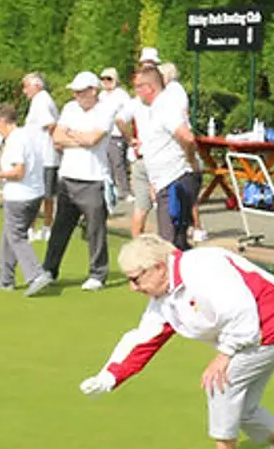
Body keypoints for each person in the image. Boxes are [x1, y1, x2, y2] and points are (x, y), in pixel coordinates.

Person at [77, 234, 274, 449]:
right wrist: (110, 375)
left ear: (158, 267)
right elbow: (145, 338)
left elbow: (241, 311)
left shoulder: (202, 268)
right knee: (242, 405)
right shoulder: (164, 295)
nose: (132, 287)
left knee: (222, 383)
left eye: (135, 279)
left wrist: (224, 355)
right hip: (254, 330)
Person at [41, 71, 117, 290]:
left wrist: (71, 135)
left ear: (94, 91)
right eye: (75, 92)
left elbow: (93, 139)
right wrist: (78, 137)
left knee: (96, 229)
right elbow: (57, 138)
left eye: (81, 92)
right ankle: (49, 269)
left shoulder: (106, 110)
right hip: (67, 177)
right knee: (60, 228)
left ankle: (97, 274)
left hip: (93, 179)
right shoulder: (69, 108)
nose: (77, 96)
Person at [130, 66, 204, 248]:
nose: (136, 92)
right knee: (176, 241)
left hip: (176, 180)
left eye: (139, 87)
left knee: (169, 243)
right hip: (165, 181)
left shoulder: (166, 106)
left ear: (150, 88)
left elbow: (186, 137)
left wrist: (191, 160)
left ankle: (178, 275)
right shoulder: (155, 108)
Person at [0, 104, 53, 297]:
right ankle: (6, 279)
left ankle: (36, 275)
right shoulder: (28, 135)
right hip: (34, 193)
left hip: (20, 196)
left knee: (16, 236)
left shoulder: (16, 140)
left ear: (3, 121)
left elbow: (19, 171)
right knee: (9, 234)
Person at [21, 72, 60, 239]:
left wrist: (56, 143)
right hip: (43, 156)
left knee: (40, 193)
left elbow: (51, 124)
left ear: (37, 86)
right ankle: (42, 228)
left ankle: (39, 229)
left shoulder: (41, 100)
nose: (24, 91)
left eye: (26, 86)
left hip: (44, 157)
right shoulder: (41, 99)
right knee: (45, 194)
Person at [98, 67, 135, 203]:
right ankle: (109, 190)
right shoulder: (101, 96)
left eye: (109, 79)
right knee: (106, 165)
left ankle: (125, 191)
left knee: (118, 164)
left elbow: (128, 113)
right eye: (103, 79)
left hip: (117, 134)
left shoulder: (121, 95)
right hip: (104, 134)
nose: (106, 82)